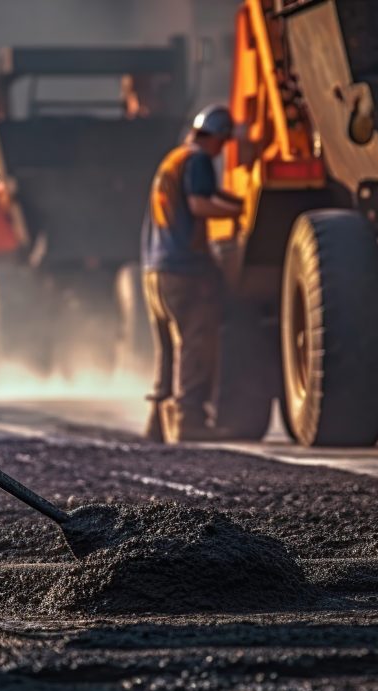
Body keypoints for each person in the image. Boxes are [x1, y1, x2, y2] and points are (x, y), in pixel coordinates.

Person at [140, 104, 242, 442]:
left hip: (155, 271)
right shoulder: (199, 159)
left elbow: (205, 195)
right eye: (223, 142)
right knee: (196, 343)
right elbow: (200, 204)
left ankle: (157, 423)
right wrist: (240, 210)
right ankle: (189, 421)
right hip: (184, 270)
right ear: (214, 137)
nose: (222, 149)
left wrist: (228, 199)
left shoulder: (175, 159)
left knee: (168, 348)